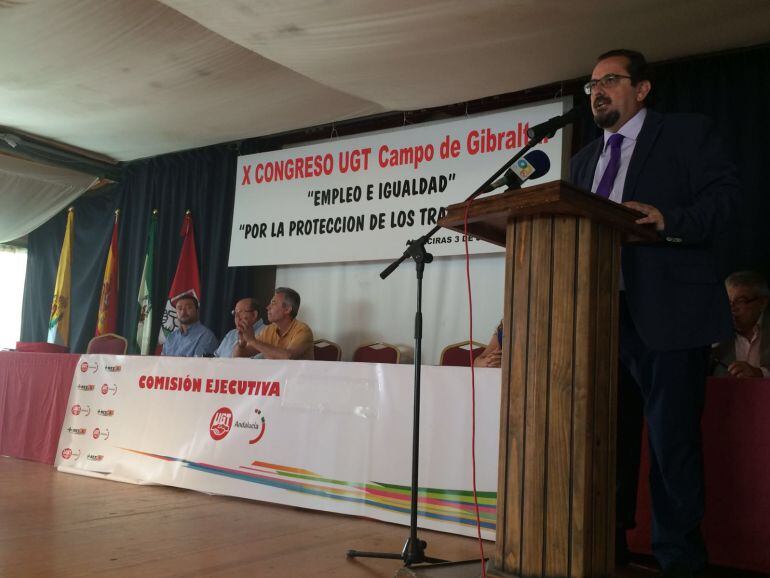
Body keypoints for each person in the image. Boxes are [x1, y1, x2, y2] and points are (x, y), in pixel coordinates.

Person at [570, 49, 739, 577]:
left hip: (669, 313)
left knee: (672, 448)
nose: (597, 91)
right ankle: (607, 550)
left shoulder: (686, 133)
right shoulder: (581, 162)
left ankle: (679, 562)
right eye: (591, 85)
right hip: (597, 318)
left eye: (610, 80)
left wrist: (671, 219)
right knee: (603, 444)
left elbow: (727, 200)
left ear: (642, 89)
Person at [712, 271, 770, 377]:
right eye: (728, 302)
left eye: (740, 301)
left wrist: (760, 373)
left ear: (762, 302)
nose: (732, 309)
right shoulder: (716, 332)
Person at [236, 287, 314, 360]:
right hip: (275, 374)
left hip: (297, 374)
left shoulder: (303, 330)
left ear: (287, 309)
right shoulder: (269, 330)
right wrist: (241, 343)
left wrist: (252, 340)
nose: (267, 307)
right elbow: (237, 356)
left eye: (273, 303)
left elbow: (288, 357)